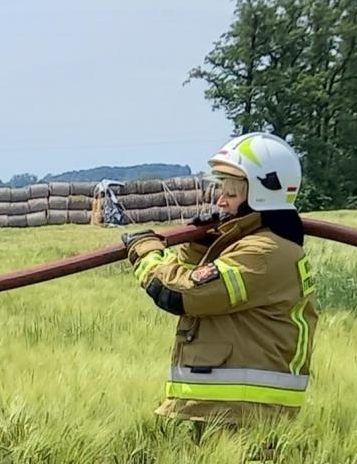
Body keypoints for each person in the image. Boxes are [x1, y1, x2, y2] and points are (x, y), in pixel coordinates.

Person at [121, 132, 317, 431]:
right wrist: (198, 247)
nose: (221, 201)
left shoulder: (262, 252)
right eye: (221, 190)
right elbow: (200, 283)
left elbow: (180, 293)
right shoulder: (256, 244)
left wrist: (145, 252)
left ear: (263, 194)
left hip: (244, 415)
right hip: (222, 410)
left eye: (232, 193)